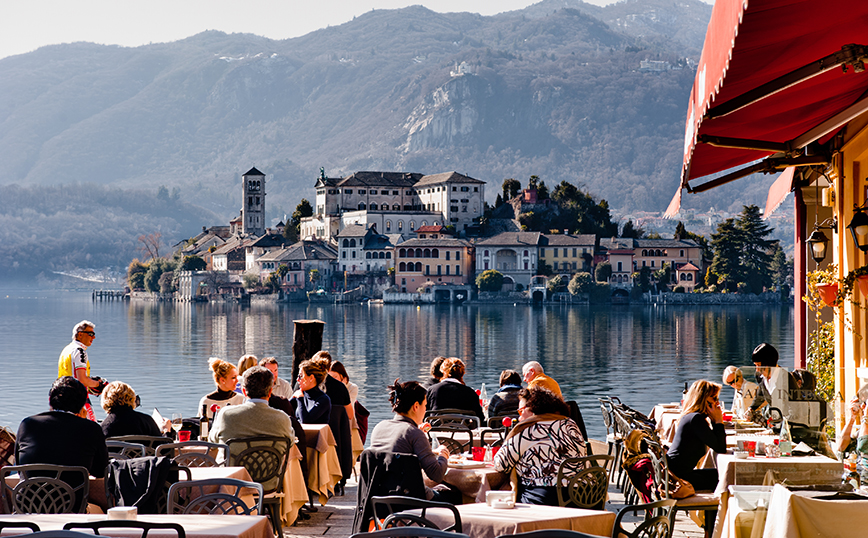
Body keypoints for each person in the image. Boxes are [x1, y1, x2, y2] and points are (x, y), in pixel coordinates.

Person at [369, 379, 460, 503]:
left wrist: (418, 433)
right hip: (413, 501)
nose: (425, 410)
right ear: (416, 406)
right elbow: (437, 475)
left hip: (380, 500)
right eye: (425, 405)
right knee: (457, 494)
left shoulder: (379, 427)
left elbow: (397, 450)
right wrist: (443, 454)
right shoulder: (414, 433)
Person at [492, 386, 585, 505]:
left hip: (543, 497)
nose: (519, 418)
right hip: (582, 497)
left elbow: (500, 464)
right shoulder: (570, 424)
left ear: (532, 408)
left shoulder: (528, 430)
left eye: (521, 411)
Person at [16, 377, 109, 482]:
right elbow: (100, 471)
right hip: (73, 492)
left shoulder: (27, 425)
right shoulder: (91, 429)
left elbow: (19, 467)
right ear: (82, 405)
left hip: (29, 491)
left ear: (50, 400)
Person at [209, 366, 294, 446]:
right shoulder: (283, 419)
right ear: (269, 392)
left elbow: (212, 442)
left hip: (234, 457)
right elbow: (291, 442)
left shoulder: (226, 415)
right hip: (271, 457)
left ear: (244, 391)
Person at [666, 379, 726, 491]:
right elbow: (720, 448)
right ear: (703, 399)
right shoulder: (696, 419)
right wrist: (718, 421)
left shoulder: (692, 417)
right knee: (726, 478)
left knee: (723, 473)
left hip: (676, 473)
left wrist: (714, 420)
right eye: (714, 398)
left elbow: (717, 444)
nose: (717, 403)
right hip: (678, 479)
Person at [310, 351, 353, 495]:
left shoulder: (307, 386)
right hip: (336, 439)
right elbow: (350, 415)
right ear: (329, 368)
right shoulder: (340, 387)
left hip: (313, 439)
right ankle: (337, 479)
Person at [57, 320, 106, 421]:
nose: (93, 337)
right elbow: (82, 379)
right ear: (80, 334)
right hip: (77, 398)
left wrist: (90, 382)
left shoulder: (67, 349)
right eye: (90, 334)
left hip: (62, 397)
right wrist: (99, 385)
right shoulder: (80, 351)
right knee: (91, 426)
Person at [100, 381, 170, 438]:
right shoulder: (146, 421)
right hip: (144, 451)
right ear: (132, 398)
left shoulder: (103, 427)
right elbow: (164, 448)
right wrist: (166, 430)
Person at [426, 357, 485, 424]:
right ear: (462, 373)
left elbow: (424, 415)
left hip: (435, 429)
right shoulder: (469, 393)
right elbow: (480, 419)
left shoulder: (432, 390)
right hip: (463, 429)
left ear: (443, 371)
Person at [751, 342, 796, 413]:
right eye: (755, 365)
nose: (757, 369)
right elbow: (760, 395)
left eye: (758, 365)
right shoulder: (760, 376)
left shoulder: (786, 378)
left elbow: (795, 405)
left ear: (768, 364)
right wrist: (751, 408)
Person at [836, 384, 868, 484]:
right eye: (861, 403)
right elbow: (841, 447)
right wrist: (852, 418)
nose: (862, 407)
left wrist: (866, 417)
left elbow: (863, 446)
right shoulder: (863, 429)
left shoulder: (865, 426)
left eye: (865, 403)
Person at [291, 359, 332, 424]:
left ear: (311, 378)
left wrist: (300, 399)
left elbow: (306, 421)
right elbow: (285, 408)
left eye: (300, 376)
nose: (297, 379)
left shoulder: (323, 399)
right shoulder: (301, 393)